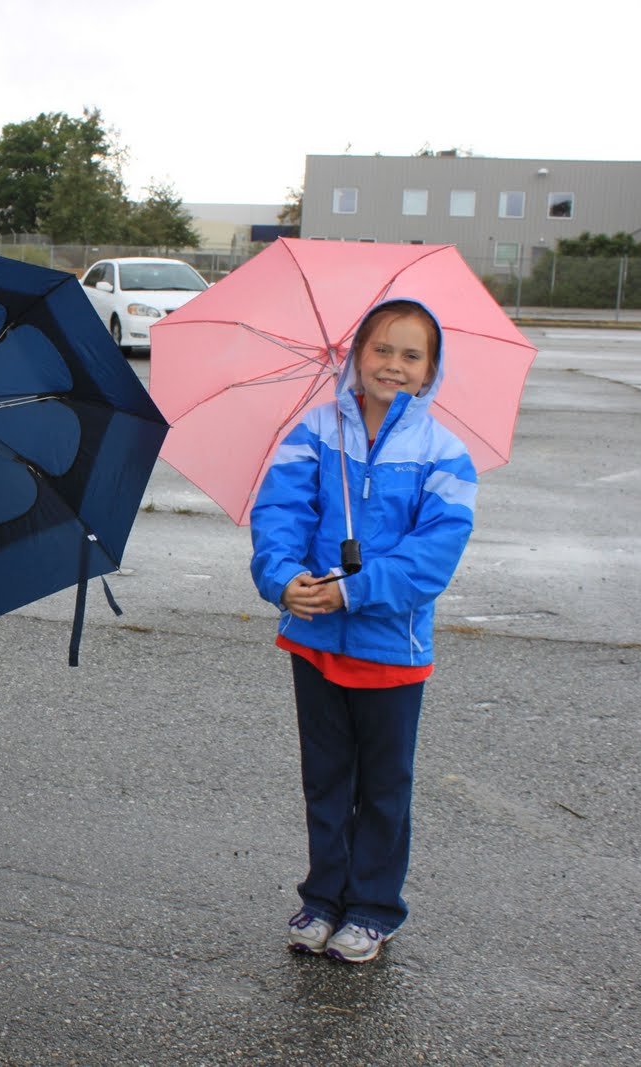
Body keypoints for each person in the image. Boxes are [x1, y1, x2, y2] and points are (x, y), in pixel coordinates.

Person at [249, 299, 476, 964]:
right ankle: (323, 897)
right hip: (315, 640)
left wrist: (354, 588)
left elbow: (433, 555)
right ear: (357, 354)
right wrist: (283, 577)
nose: (394, 365)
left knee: (382, 786)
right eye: (382, 349)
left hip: (391, 651)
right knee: (325, 778)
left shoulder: (445, 452)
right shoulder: (315, 431)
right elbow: (280, 512)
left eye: (412, 355)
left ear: (431, 368)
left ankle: (374, 906)